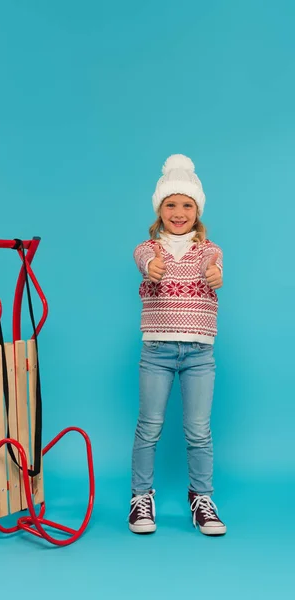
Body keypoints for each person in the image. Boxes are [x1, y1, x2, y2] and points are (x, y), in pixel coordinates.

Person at [129, 154, 226, 536]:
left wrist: (214, 274)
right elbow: (144, 263)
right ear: (160, 210)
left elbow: (215, 270)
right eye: (171, 204)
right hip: (157, 352)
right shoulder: (147, 249)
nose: (179, 211)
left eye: (187, 205)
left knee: (198, 430)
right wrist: (151, 268)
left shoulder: (210, 251)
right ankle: (140, 498)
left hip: (200, 355)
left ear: (197, 210)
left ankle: (201, 498)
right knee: (149, 426)